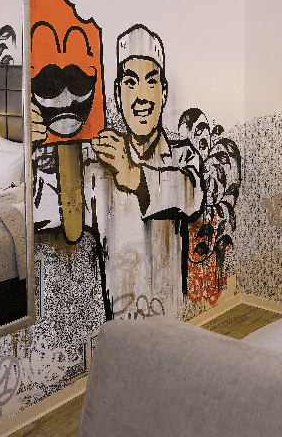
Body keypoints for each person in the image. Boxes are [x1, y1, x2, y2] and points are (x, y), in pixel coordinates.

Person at [87, 24, 203, 319]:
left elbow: (191, 197)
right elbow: (54, 214)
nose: (141, 96)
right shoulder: (99, 163)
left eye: (151, 83)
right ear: (117, 93)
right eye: (130, 82)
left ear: (164, 93)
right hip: (120, 322)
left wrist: (133, 175)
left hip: (170, 317)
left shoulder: (182, 154)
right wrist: (44, 147)